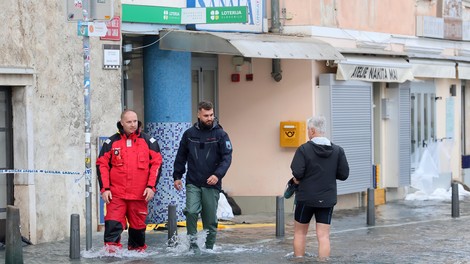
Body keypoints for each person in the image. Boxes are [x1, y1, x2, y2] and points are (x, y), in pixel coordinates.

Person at [96, 109, 162, 253]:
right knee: (112, 227)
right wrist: (105, 188)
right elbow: (102, 165)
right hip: (116, 195)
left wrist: (151, 187)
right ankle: (111, 258)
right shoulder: (111, 142)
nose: (133, 125)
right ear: (121, 123)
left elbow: (157, 165)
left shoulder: (149, 142)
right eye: (129, 122)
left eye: (135, 121)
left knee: (138, 231)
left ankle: (137, 258)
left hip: (139, 196)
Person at [173, 101, 233, 251]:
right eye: (206, 115)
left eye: (211, 115)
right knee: (191, 212)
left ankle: (209, 248)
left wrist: (217, 175)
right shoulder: (189, 134)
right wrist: (177, 176)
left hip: (212, 183)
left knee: (210, 220)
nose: (209, 118)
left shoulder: (221, 134)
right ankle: (193, 247)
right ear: (198, 114)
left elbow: (227, 158)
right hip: (193, 182)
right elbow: (181, 156)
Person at [290, 116, 349, 261]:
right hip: (327, 199)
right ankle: (323, 261)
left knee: (300, 233)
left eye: (308, 130)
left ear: (312, 130)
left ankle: (299, 260)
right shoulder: (337, 151)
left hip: (306, 199)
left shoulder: (303, 149)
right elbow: (344, 174)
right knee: (323, 236)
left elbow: (297, 173)